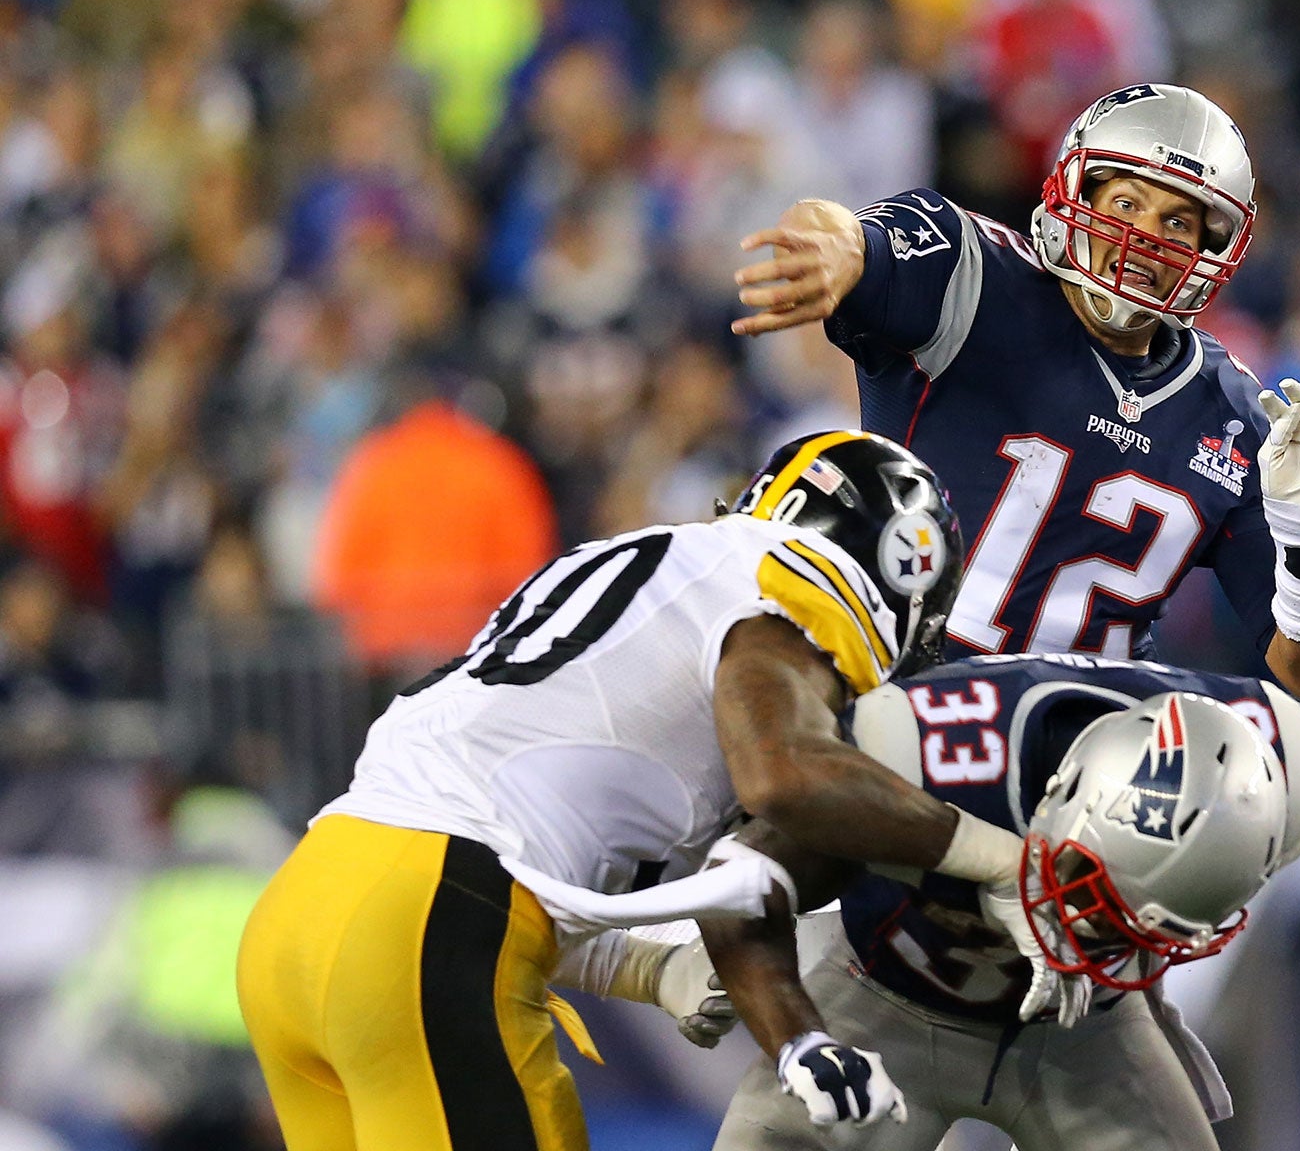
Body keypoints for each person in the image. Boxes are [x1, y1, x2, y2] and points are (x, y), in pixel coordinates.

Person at [237, 432, 1045, 1149]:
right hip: (416, 932)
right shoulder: (798, 584)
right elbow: (785, 775)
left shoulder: (652, 566)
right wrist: (1001, 859)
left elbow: (523, 855)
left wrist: (725, 1005)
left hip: (304, 912)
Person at [733, 83, 1300, 706]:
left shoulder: (1234, 419)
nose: (1146, 234)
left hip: (1075, 754)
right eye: (1126, 203)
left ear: (1210, 250)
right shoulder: (974, 277)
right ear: (1075, 190)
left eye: (1177, 220)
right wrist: (828, 249)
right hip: (893, 696)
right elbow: (846, 232)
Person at [691, 653, 1300, 1150]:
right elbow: (740, 886)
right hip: (886, 1001)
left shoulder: (1265, 756)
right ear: (1060, 798)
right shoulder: (925, 754)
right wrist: (798, 1040)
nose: (1104, 945)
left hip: (1087, 1025)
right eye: (1096, 906)